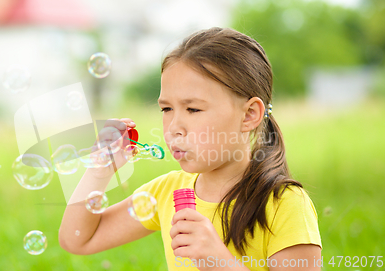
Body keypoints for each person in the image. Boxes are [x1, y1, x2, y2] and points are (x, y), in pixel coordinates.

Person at [59, 27, 322, 271]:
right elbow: (79, 240)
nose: (174, 126)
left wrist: (220, 262)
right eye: (166, 109)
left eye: (193, 109)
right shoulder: (167, 192)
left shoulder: (283, 204)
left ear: (249, 114)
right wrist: (100, 171)